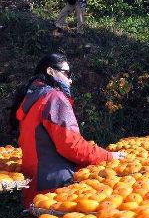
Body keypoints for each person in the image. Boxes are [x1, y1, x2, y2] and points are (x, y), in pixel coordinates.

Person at [10, 54, 124, 207]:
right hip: (55, 191)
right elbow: (72, 145)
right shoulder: (53, 98)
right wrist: (108, 156)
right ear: (50, 71)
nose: (70, 80)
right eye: (67, 73)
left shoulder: (32, 98)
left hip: (34, 188)